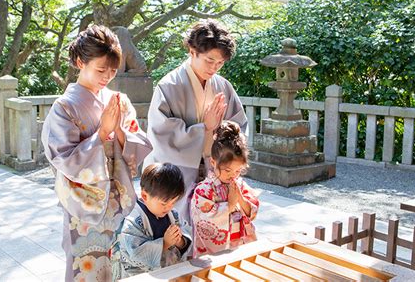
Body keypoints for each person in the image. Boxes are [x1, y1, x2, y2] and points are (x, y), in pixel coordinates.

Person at [41, 25, 152, 281]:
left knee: (118, 264)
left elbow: (137, 140)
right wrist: (102, 133)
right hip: (83, 204)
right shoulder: (65, 107)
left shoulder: (119, 100)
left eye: (113, 71)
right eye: (101, 70)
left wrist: (119, 133)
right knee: (85, 267)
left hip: (117, 200)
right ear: (81, 62)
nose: (107, 77)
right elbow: (64, 159)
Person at [143, 19, 248, 224]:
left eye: (220, 63)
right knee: (176, 232)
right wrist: (205, 129)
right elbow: (162, 135)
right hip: (176, 175)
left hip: (215, 171)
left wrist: (224, 141)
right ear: (192, 51)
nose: (214, 68)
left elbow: (239, 128)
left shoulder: (223, 86)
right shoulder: (169, 86)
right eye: (210, 60)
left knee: (213, 229)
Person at [190, 121, 259, 258]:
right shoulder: (203, 190)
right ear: (213, 162)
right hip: (215, 251)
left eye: (238, 170)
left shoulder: (239, 185)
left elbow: (252, 211)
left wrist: (240, 198)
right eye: (228, 170)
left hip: (239, 242)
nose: (233, 175)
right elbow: (202, 221)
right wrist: (230, 205)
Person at [111, 163, 192, 279]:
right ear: (144, 196)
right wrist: (165, 243)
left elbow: (186, 230)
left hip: (167, 271)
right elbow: (135, 253)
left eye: (173, 203)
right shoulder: (134, 218)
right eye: (164, 203)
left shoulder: (173, 214)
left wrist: (180, 241)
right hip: (141, 276)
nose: (169, 207)